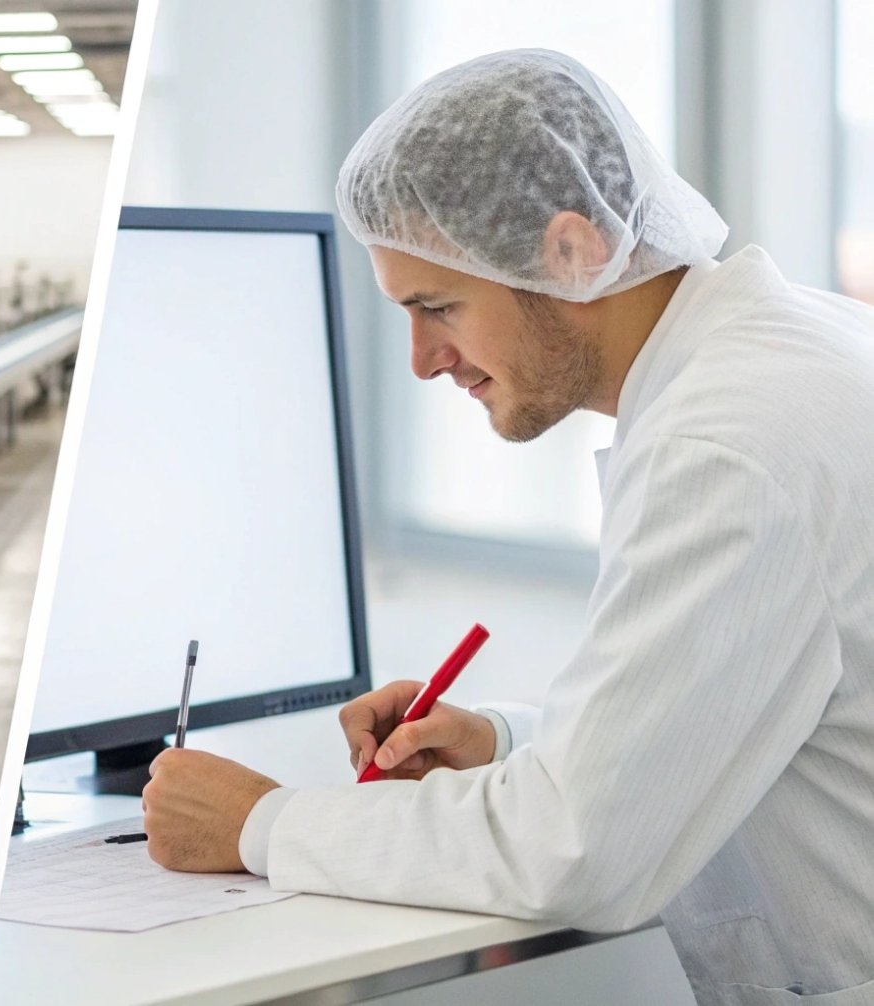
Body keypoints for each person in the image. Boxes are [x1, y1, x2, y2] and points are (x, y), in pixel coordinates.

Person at [139, 49, 874, 1004]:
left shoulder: (724, 447)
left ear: (569, 251)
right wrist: (502, 742)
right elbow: (742, 714)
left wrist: (259, 824)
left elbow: (576, 853)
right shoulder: (802, 344)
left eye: (437, 305)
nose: (421, 359)